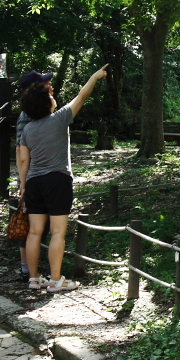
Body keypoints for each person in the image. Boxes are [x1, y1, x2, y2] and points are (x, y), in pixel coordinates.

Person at [19, 64, 108, 292]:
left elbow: (23, 160)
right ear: (45, 102)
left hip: (34, 183)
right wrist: (95, 77)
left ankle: (34, 278)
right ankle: (56, 279)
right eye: (50, 94)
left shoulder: (28, 129)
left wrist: (23, 185)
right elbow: (82, 95)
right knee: (58, 232)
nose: (53, 96)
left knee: (34, 232)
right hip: (57, 180)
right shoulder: (59, 119)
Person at [14, 70, 53, 282]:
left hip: (30, 178)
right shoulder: (28, 115)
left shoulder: (30, 113)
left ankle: (28, 269)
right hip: (33, 179)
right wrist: (24, 182)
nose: (49, 86)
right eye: (45, 84)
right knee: (32, 227)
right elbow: (21, 152)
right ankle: (28, 270)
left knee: (32, 226)